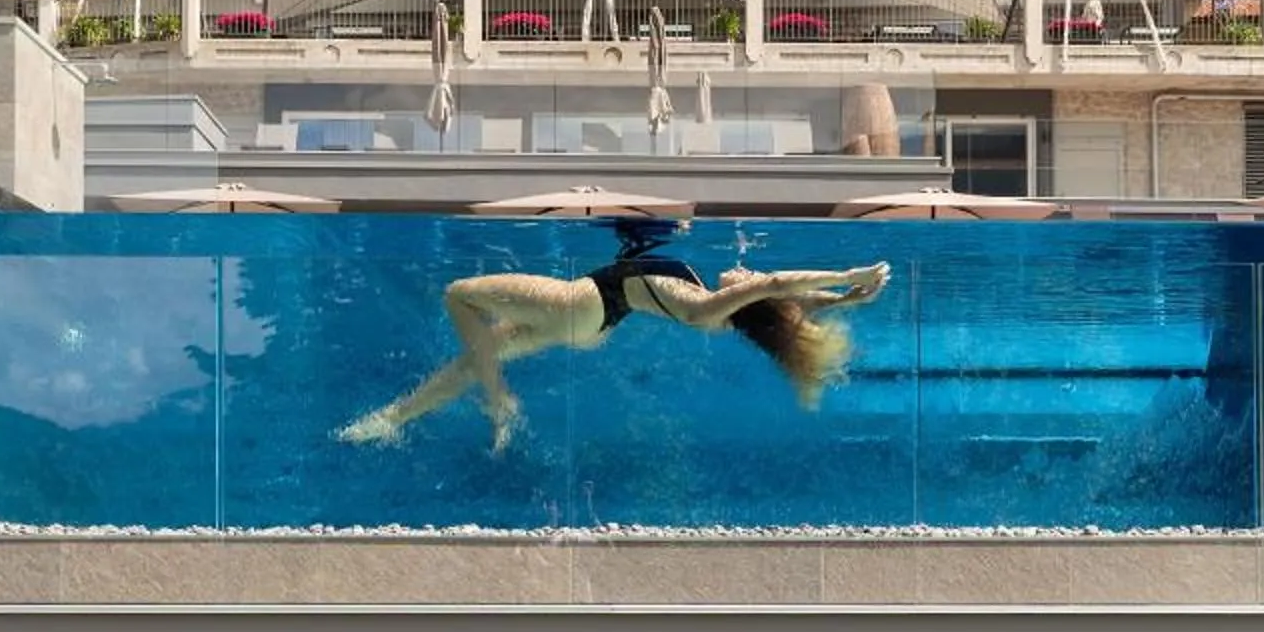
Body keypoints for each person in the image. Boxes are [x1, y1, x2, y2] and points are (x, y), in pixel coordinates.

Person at [336, 245, 893, 451]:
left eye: (750, 273)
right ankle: (393, 418)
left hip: (576, 304)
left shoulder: (707, 307)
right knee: (475, 353)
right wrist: (843, 301)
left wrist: (848, 274)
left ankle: (497, 397)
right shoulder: (714, 311)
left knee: (459, 295)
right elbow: (783, 308)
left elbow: (773, 288)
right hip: (589, 326)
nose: (746, 267)